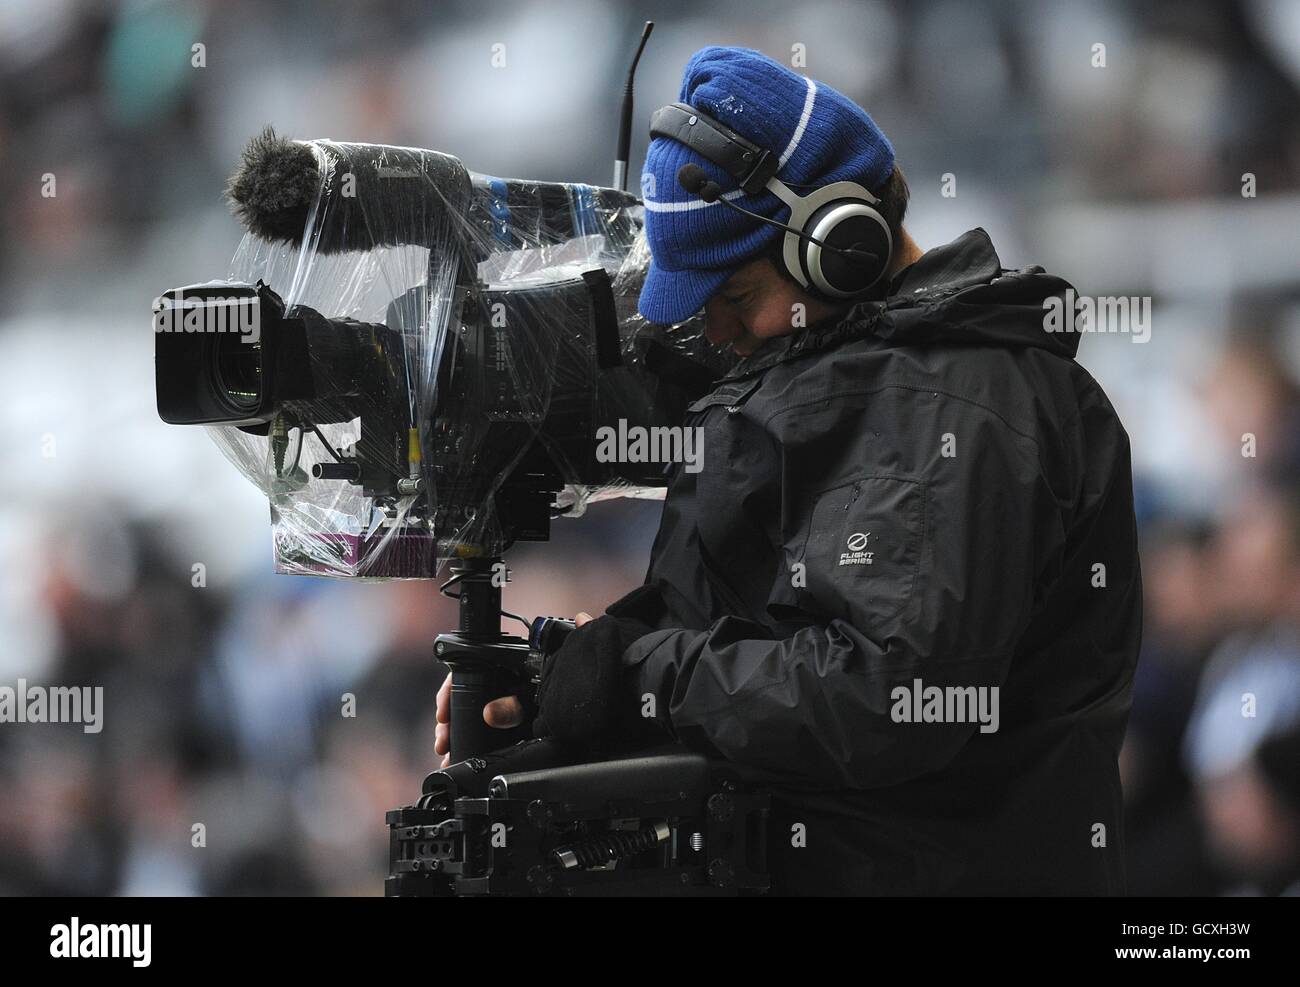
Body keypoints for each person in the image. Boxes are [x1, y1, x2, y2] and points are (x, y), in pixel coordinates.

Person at [437, 45, 1143, 895]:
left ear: (840, 244)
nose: (722, 333)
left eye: (734, 299)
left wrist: (637, 678)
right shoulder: (832, 380)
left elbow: (884, 697)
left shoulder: (959, 403)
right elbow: (741, 630)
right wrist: (573, 670)